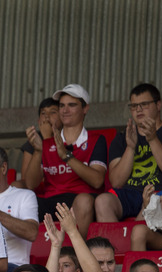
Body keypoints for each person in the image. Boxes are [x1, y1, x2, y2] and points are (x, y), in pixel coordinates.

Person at [28, 85, 108, 237]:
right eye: (62, 106)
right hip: (51, 201)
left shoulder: (96, 140)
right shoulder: (47, 143)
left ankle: (79, 254)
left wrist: (66, 156)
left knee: (84, 201)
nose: (65, 110)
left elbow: (97, 180)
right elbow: (31, 184)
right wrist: (38, 151)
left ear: (85, 109)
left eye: (72, 105)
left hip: (79, 201)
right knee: (23, 198)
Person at [94, 83, 162, 223]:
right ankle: (110, 245)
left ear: (158, 105)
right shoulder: (122, 138)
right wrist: (130, 148)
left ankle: (132, 242)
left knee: (151, 205)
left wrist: (153, 139)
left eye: (144, 104)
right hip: (130, 194)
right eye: (133, 106)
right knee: (103, 201)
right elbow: (116, 182)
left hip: (161, 193)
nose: (138, 109)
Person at [132, 146, 162, 252]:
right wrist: (147, 206)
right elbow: (138, 223)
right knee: (138, 231)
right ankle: (138, 268)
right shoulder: (160, 195)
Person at [18, 97, 61, 189]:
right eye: (43, 113)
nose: (47, 116)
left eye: (53, 112)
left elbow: (58, 174)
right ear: (38, 121)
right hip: (36, 186)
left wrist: (47, 138)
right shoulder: (33, 140)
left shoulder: (67, 139)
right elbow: (25, 178)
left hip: (59, 186)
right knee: (16, 185)